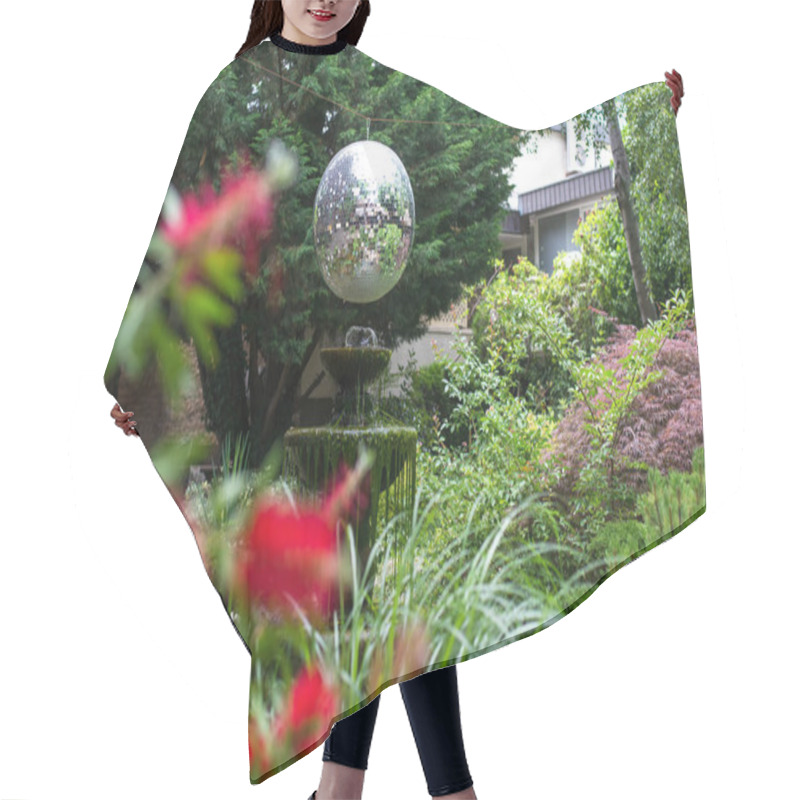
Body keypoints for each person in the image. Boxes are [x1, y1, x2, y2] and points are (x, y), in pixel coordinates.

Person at [110, 3, 686, 798]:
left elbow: (487, 167)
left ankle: (351, 789)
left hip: (377, 395)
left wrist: (640, 113)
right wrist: (142, 376)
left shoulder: (369, 90)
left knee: (393, 582)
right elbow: (185, 254)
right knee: (368, 590)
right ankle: (424, 791)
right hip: (283, 409)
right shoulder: (238, 90)